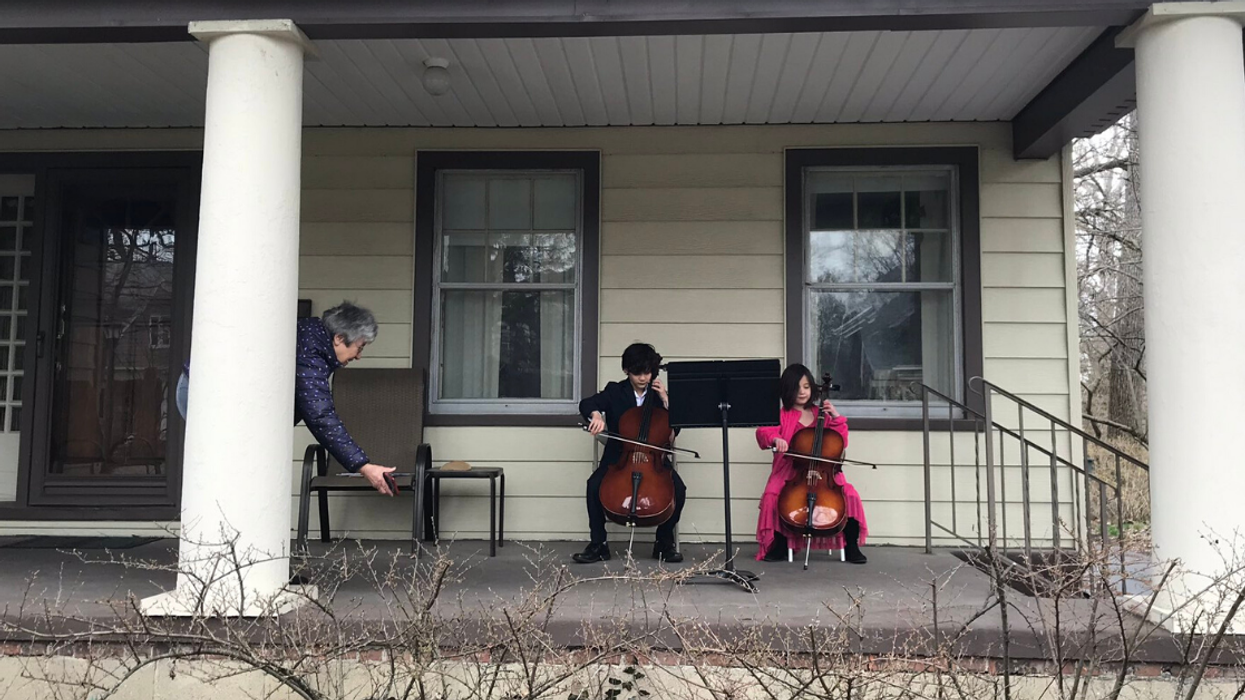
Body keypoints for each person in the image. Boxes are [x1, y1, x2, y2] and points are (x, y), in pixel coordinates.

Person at [175, 301, 398, 495]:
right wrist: (363, 466)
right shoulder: (310, 353)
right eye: (359, 348)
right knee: (226, 468)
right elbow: (320, 415)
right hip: (206, 393)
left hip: (228, 401)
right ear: (339, 338)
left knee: (242, 467)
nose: (359, 356)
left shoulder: (312, 340)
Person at [575, 342, 686, 564]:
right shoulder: (616, 391)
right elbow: (587, 403)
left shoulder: (658, 396)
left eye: (647, 372)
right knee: (593, 485)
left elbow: (676, 428)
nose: (643, 378)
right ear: (627, 370)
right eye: (637, 373)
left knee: (679, 489)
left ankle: (663, 543)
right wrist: (596, 415)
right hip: (619, 459)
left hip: (654, 462)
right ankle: (599, 544)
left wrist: (666, 400)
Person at [754, 363, 868, 564]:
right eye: (796, 387)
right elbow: (764, 432)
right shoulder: (780, 414)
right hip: (791, 470)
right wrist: (775, 439)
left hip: (825, 472)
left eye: (806, 387)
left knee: (849, 494)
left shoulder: (820, 414)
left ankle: (851, 545)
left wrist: (835, 416)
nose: (802, 392)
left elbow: (840, 441)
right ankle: (779, 544)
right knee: (773, 493)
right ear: (787, 390)